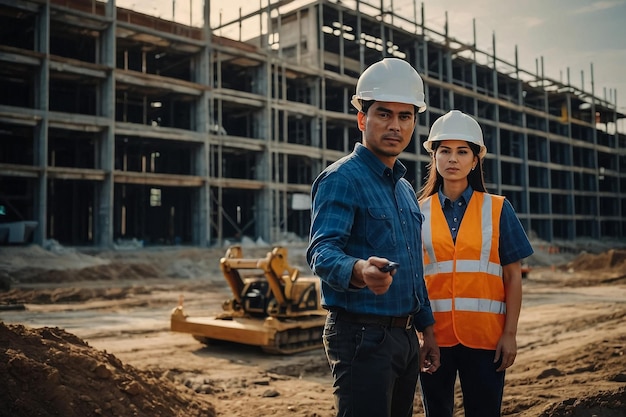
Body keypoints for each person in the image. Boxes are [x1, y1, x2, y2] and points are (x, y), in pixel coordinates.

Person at [306, 57, 440, 417]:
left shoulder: (405, 190)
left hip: (405, 337)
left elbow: (414, 267)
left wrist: (426, 329)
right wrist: (361, 270)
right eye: (384, 114)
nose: (395, 125)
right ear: (362, 118)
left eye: (405, 116)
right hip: (361, 337)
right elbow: (321, 251)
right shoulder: (342, 179)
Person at [417, 110, 534, 417]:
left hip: (486, 339)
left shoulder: (498, 209)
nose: (452, 159)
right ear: (435, 157)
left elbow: (513, 277)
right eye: (445, 151)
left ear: (475, 159)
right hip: (434, 339)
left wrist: (510, 334)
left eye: (462, 151)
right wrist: (419, 334)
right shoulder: (417, 212)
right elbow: (415, 279)